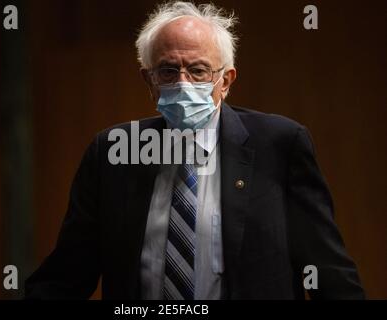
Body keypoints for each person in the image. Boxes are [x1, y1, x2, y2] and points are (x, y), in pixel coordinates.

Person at [25, 1, 365, 299]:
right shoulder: (113, 152)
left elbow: (328, 272)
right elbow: (66, 275)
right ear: (149, 80)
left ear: (226, 81)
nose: (183, 83)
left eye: (199, 70)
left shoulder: (280, 145)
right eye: (168, 71)